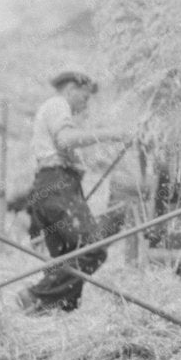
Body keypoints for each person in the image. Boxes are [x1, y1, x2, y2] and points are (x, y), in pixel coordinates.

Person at [17, 68, 132, 312]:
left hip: (49, 187)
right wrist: (113, 135)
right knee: (93, 249)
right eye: (84, 96)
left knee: (67, 258)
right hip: (58, 186)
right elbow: (67, 140)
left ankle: (58, 310)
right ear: (71, 89)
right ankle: (35, 297)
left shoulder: (51, 110)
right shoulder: (58, 105)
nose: (85, 103)